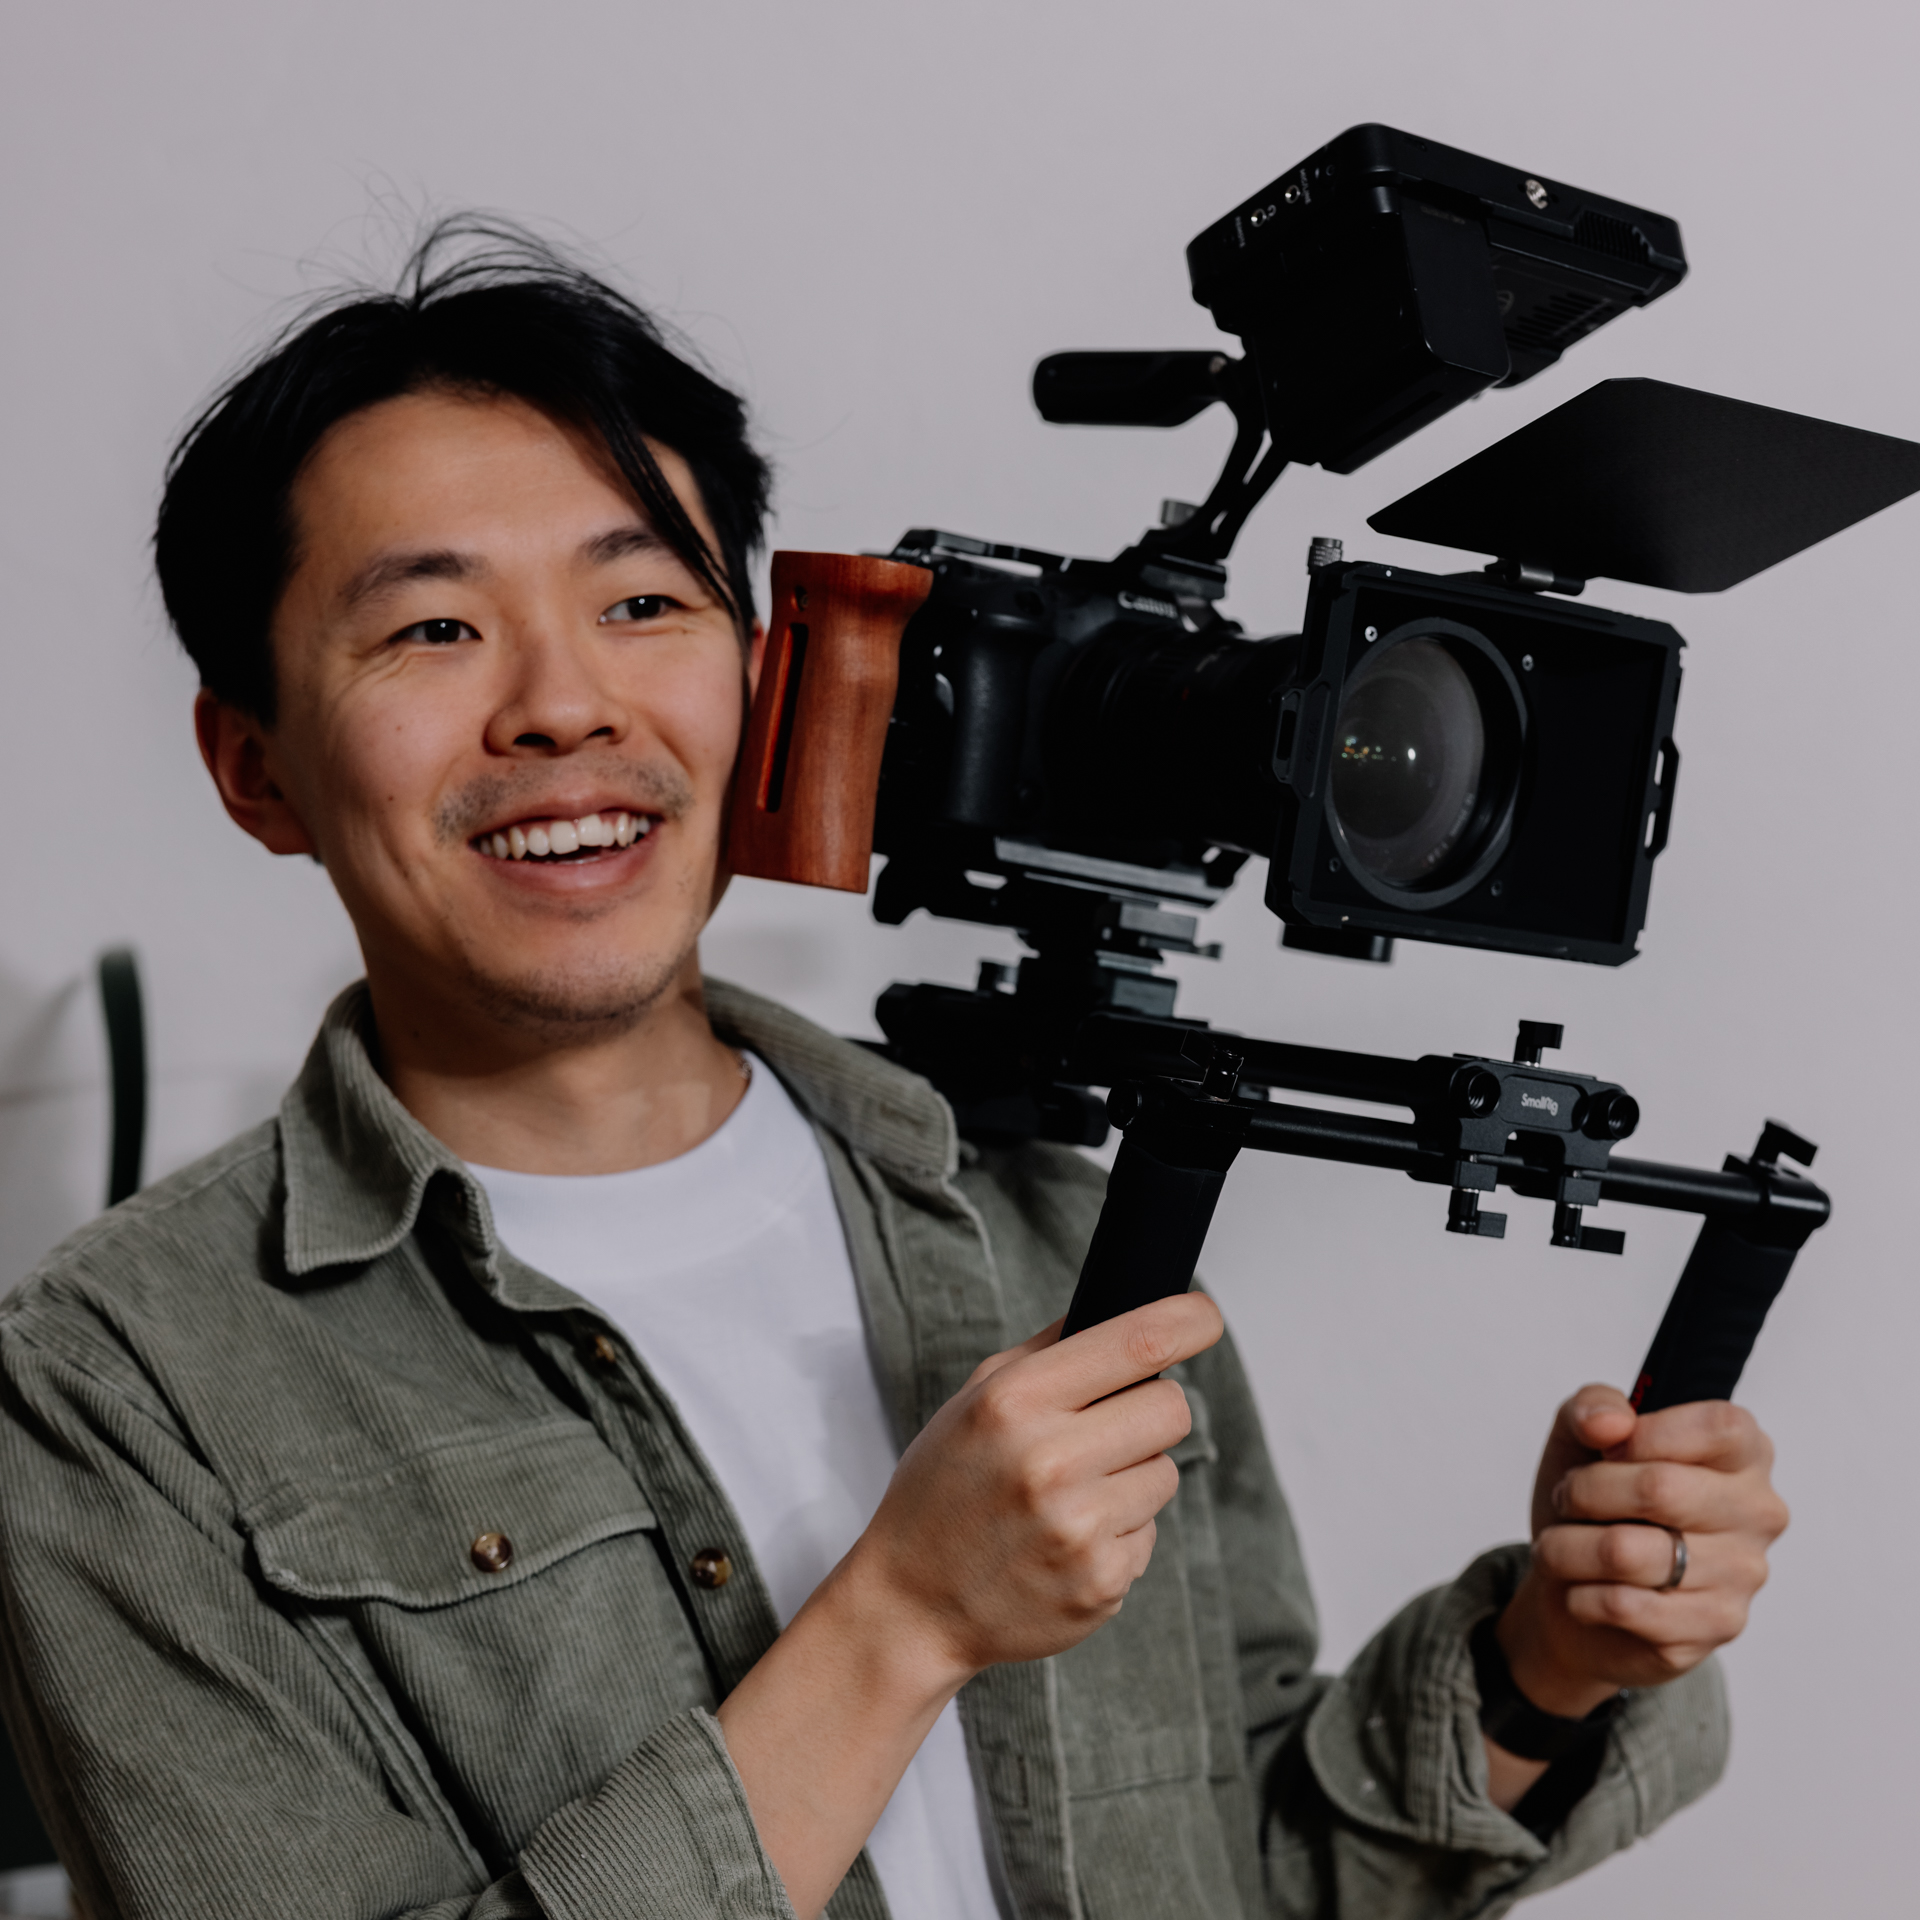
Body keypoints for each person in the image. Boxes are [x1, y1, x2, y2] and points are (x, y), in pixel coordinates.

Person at [0, 222, 1788, 1920]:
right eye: (433, 628)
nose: (564, 707)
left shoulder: (1045, 1223)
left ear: (765, 689)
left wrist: (1548, 1671)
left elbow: (1255, 1870)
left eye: (641, 604)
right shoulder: (114, 1393)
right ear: (255, 768)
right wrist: (905, 1615)